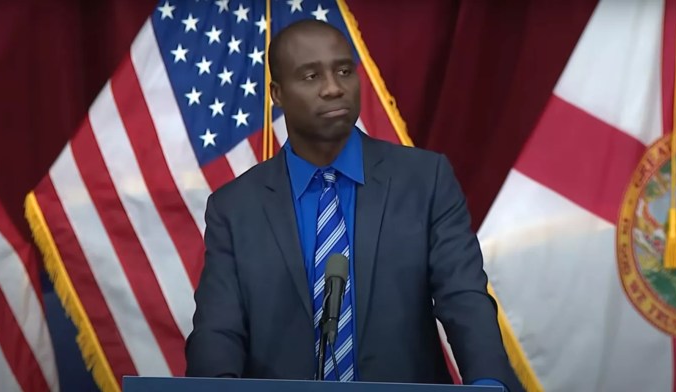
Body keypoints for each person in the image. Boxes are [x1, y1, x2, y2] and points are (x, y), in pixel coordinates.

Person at [185, 19, 523, 392]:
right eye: (311, 76)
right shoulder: (235, 208)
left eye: (344, 71)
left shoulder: (425, 180)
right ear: (276, 94)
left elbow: (464, 299)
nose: (333, 88)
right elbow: (218, 332)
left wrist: (489, 383)